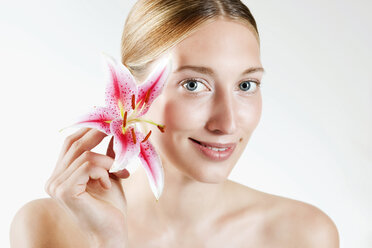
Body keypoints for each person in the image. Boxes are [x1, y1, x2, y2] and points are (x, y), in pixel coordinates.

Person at [10, 0, 340, 247]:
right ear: (131, 93)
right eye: (194, 85)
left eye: (246, 85)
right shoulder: (46, 227)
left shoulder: (304, 234)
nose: (227, 123)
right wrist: (108, 240)